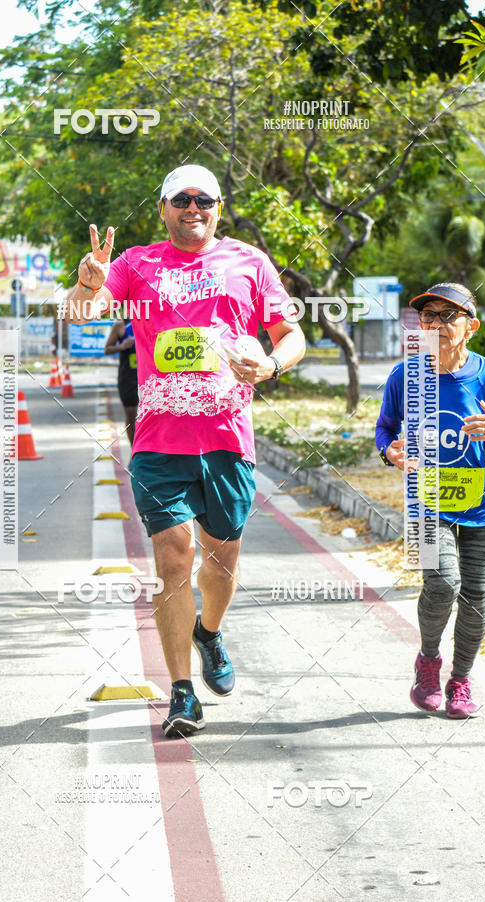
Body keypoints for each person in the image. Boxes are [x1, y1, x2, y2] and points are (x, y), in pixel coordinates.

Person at [65, 164, 306, 737]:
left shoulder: (248, 261)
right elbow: (77, 315)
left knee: (221, 562)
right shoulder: (135, 264)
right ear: (163, 208)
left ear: (219, 207)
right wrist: (88, 284)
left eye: (204, 199)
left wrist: (272, 363)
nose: (192, 208)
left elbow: (291, 334)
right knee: (173, 556)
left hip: (226, 438)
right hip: (158, 441)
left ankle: (210, 630)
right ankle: (181, 693)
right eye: (181, 199)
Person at [375, 282, 485, 718]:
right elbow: (384, 429)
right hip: (425, 504)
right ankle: (429, 662)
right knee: (442, 585)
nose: (434, 323)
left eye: (446, 316)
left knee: (476, 597)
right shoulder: (405, 377)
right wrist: (388, 451)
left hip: (483, 506)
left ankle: (461, 680)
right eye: (427, 316)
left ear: (470, 327)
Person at [104, 318, 138, 444]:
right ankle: (134, 453)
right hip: (128, 377)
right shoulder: (120, 325)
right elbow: (107, 349)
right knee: (131, 415)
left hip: (148, 375)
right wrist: (122, 346)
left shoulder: (150, 320)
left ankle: (150, 453)